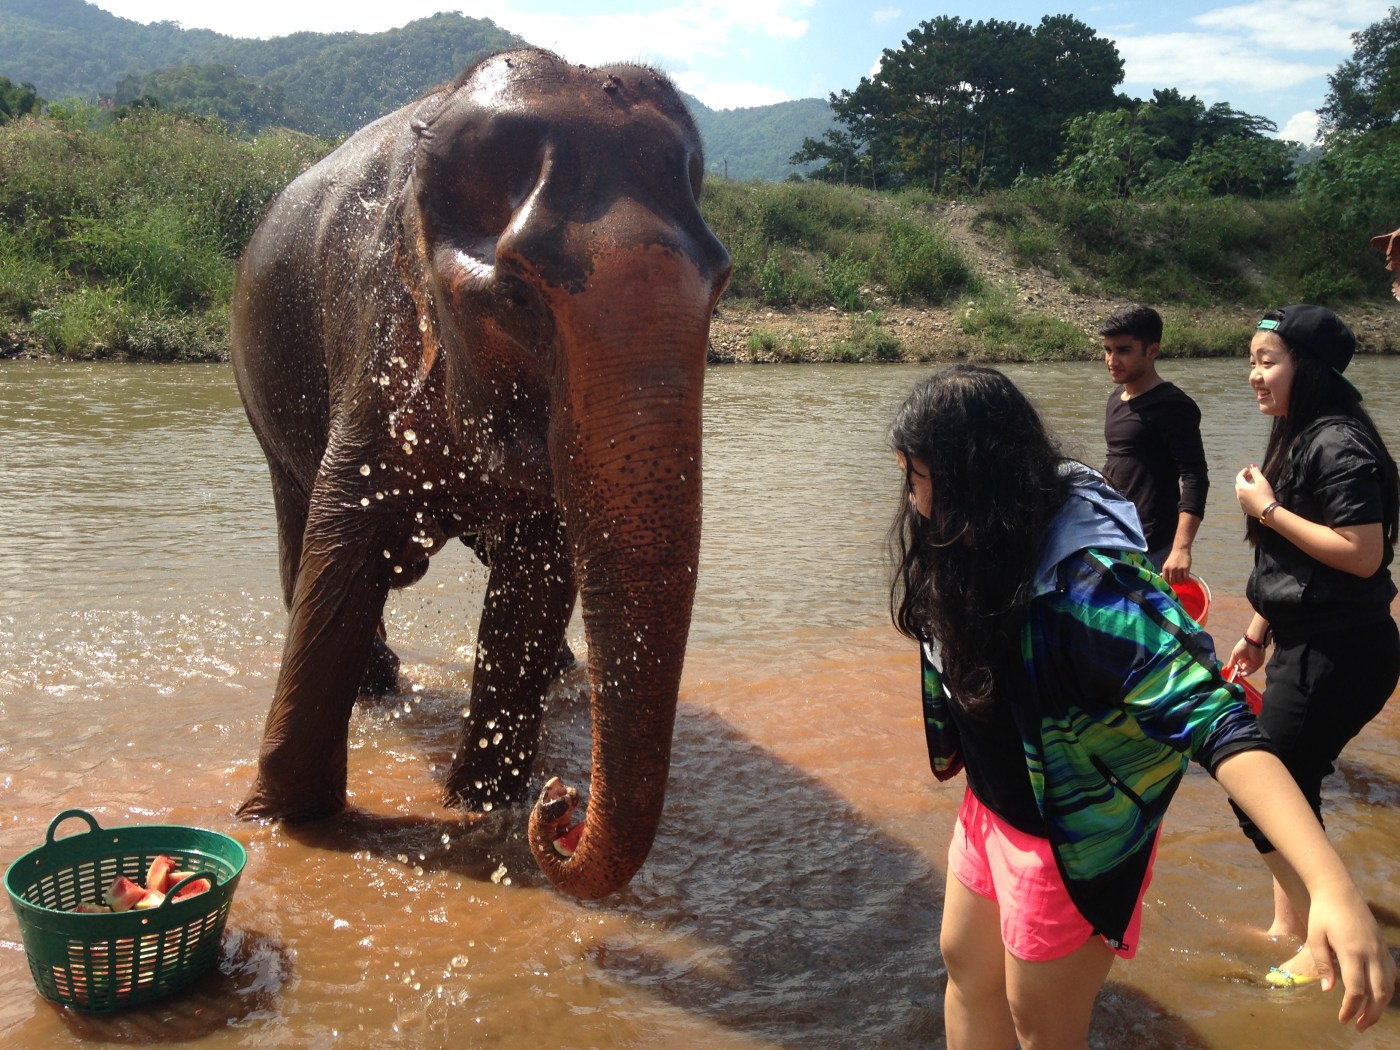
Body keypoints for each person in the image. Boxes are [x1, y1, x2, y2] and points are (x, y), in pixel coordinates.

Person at [888, 364, 1394, 1048]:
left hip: (1065, 835)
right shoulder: (969, 543)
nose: (912, 502)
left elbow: (1218, 718)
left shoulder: (1093, 591)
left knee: (1036, 1016)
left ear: (973, 483)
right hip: (992, 806)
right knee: (964, 967)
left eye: (918, 480)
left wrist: (1330, 884)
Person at [1228, 304, 1400, 990]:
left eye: (1267, 361)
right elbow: (1297, 566)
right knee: (1287, 784)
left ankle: (1328, 941)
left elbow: (1362, 555)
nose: (1253, 376)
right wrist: (1258, 630)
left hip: (1343, 650)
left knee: (1259, 792)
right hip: (1310, 642)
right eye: (1251, 360)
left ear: (1312, 369)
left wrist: (1267, 509)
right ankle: (1293, 926)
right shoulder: (1302, 436)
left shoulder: (1337, 444)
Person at [1100, 305, 1208, 583]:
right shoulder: (1116, 398)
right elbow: (1118, 462)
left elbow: (1195, 477)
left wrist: (1181, 549)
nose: (1112, 360)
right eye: (1108, 350)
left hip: (1155, 544)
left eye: (1123, 350)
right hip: (1117, 534)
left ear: (1152, 350)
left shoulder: (1173, 405)